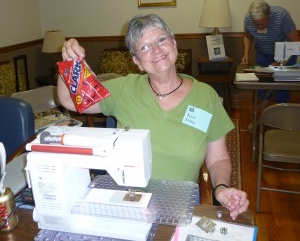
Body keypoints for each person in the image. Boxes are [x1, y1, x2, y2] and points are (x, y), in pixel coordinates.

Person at [58, 14, 249, 220]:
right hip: (127, 205)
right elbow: (70, 100)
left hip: (178, 205)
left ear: (174, 44)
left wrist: (220, 188)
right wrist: (69, 63)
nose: (156, 50)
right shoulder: (124, 89)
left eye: (161, 40)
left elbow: (218, 158)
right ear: (137, 61)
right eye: (145, 47)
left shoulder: (206, 96)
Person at [241, 0, 299, 103]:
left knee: (282, 86)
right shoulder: (248, 19)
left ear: (269, 16)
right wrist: (246, 54)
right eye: (256, 24)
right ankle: (263, 112)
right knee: (262, 85)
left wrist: (281, 61)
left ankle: (281, 111)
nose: (259, 27)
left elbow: (295, 41)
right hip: (263, 53)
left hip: (285, 53)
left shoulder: (282, 16)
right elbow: (247, 36)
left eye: (262, 23)